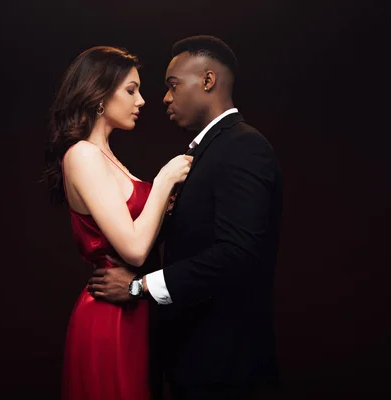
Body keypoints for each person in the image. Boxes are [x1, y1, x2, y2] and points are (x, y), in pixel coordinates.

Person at [88, 35, 283, 400]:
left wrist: (137, 287)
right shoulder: (211, 152)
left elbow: (236, 256)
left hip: (223, 368)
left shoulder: (243, 146)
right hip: (194, 361)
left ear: (208, 81)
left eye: (172, 85)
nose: (163, 98)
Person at [43, 46, 193, 400]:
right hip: (111, 316)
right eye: (131, 90)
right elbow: (135, 250)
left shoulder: (109, 158)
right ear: (98, 94)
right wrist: (163, 182)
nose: (141, 100)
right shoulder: (82, 155)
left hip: (137, 306)